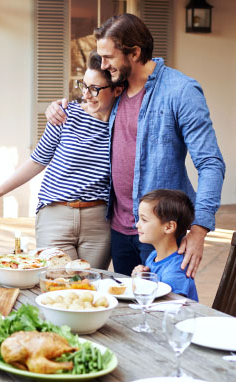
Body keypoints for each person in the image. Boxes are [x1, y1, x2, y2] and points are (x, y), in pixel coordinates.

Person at [46, 14, 225, 277]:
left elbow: (211, 163)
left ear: (134, 53)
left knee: (163, 308)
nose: (103, 64)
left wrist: (199, 229)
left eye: (108, 57)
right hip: (119, 229)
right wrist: (56, 109)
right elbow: (87, 103)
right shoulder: (115, 90)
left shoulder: (180, 91)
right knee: (128, 307)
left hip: (161, 233)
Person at [0, 53, 123, 269]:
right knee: (56, 284)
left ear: (117, 89)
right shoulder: (65, 115)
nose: (87, 95)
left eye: (95, 89)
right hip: (55, 216)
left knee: (89, 288)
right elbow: (39, 159)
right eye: (84, 86)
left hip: (99, 222)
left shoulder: (123, 124)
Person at [132, 189, 198, 301]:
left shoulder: (175, 270)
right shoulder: (153, 256)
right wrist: (142, 277)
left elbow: (171, 309)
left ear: (169, 227)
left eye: (144, 219)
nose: (137, 225)